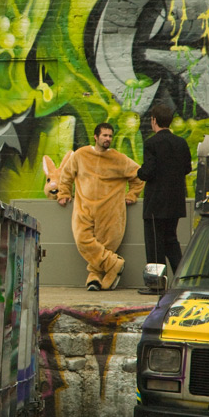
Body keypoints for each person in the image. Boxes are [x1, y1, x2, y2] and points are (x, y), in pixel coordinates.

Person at [57, 123, 145, 291]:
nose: (108, 139)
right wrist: (64, 193)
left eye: (110, 136)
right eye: (104, 135)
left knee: (106, 245)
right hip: (84, 208)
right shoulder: (81, 154)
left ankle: (94, 278)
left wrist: (132, 194)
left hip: (110, 211)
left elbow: (138, 176)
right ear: (96, 137)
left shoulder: (119, 159)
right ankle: (114, 263)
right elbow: (66, 174)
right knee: (82, 240)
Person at [136, 104, 192, 294]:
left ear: (153, 120)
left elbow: (148, 172)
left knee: (154, 244)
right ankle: (182, 282)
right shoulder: (181, 143)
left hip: (155, 204)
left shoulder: (151, 143)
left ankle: (156, 285)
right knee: (171, 241)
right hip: (175, 203)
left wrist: (139, 172)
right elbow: (187, 168)